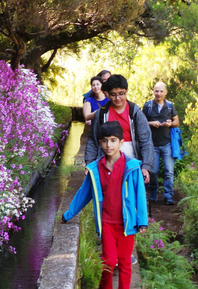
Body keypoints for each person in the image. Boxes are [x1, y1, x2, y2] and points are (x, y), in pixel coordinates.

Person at [62, 121, 148, 289]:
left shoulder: (132, 167)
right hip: (106, 223)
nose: (109, 144)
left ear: (121, 142)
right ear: (100, 143)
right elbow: (83, 194)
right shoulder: (95, 169)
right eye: (105, 140)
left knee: (124, 263)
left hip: (127, 224)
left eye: (113, 140)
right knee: (108, 262)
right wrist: (68, 214)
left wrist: (142, 220)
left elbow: (140, 195)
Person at [85, 74, 154, 184]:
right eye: (113, 95)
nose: (118, 98)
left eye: (121, 94)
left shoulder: (135, 112)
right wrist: (89, 164)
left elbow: (146, 141)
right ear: (108, 94)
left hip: (132, 164)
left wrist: (146, 166)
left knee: (131, 198)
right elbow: (93, 140)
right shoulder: (101, 114)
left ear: (126, 91)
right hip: (107, 166)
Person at [142, 82, 180, 205]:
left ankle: (168, 196)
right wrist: (151, 123)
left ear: (165, 92)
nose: (159, 93)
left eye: (161, 91)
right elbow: (141, 123)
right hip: (152, 145)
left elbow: (177, 121)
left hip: (167, 143)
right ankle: (153, 194)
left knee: (169, 171)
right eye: (156, 91)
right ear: (153, 91)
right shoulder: (148, 106)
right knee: (153, 171)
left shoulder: (169, 106)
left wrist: (171, 124)